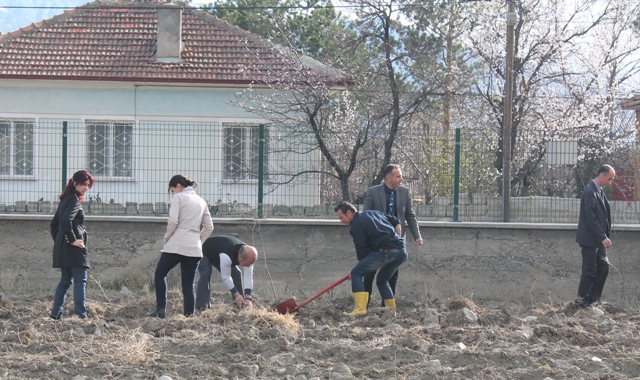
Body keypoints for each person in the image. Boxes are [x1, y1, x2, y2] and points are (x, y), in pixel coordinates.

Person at [147, 174, 214, 318]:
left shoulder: (179, 197)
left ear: (178, 186)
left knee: (160, 273)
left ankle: (161, 309)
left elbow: (173, 221)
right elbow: (209, 227)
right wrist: (198, 241)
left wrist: (167, 238)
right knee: (188, 286)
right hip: (194, 248)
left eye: (172, 190)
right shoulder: (201, 201)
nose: (173, 194)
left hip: (177, 244)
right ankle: (189, 316)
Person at [363, 164, 423, 306]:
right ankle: (364, 306)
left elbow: (410, 215)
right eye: (398, 176)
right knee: (369, 272)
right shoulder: (373, 192)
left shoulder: (404, 193)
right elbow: (366, 215)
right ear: (388, 178)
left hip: (396, 240)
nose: (401, 179)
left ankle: (388, 307)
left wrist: (417, 236)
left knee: (392, 274)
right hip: (376, 240)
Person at [335, 201, 407, 317]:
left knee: (356, 273)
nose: (341, 221)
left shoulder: (356, 226)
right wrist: (397, 238)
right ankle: (391, 312)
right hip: (401, 252)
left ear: (349, 213)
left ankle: (360, 309)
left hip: (386, 251)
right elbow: (395, 221)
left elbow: (362, 251)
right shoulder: (374, 213)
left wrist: (355, 270)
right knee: (382, 280)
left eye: (341, 218)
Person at [50, 170, 94, 319]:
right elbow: (65, 221)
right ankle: (81, 316)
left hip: (64, 249)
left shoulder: (65, 200)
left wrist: (61, 241)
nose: (86, 188)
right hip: (75, 249)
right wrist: (73, 240)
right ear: (75, 183)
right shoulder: (74, 201)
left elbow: (54, 225)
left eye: (88, 185)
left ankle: (55, 315)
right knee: (80, 281)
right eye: (84, 185)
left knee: (66, 281)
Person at [576, 164, 615, 308]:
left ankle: (594, 299)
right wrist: (602, 237)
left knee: (603, 268)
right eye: (609, 178)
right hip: (590, 240)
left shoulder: (599, 191)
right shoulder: (590, 192)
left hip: (598, 239)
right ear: (602, 175)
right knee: (589, 271)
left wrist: (604, 236)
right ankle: (582, 302)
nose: (610, 182)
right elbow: (590, 218)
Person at [195, 235, 258, 311]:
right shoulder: (227, 255)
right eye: (247, 264)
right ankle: (201, 306)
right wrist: (237, 295)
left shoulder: (250, 256)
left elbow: (248, 276)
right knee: (206, 272)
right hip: (204, 250)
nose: (248, 266)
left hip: (218, 253)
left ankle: (240, 305)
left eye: (250, 264)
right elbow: (225, 277)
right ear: (240, 257)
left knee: (236, 273)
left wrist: (248, 298)